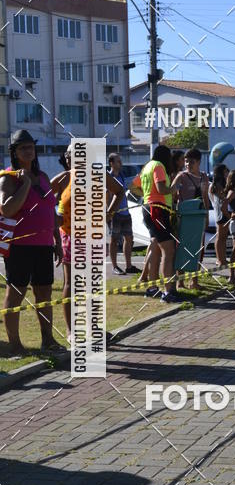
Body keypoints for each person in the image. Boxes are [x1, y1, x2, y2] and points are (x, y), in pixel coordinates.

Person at [0, 129, 64, 355]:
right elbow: (6, 209)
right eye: (23, 148)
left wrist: (57, 241)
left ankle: (48, 339)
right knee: (15, 294)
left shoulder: (44, 177)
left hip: (44, 245)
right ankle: (15, 345)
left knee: (44, 294)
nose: (29, 151)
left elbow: (50, 212)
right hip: (19, 246)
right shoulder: (9, 178)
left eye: (31, 147)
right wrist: (26, 183)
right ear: (14, 152)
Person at [55, 145, 123, 341]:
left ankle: (94, 328)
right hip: (71, 236)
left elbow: (120, 191)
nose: (72, 159)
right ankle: (71, 330)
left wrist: (109, 214)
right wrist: (54, 219)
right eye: (69, 155)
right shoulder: (64, 178)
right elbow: (43, 198)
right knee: (71, 284)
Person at [130, 145, 180, 303]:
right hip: (158, 209)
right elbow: (161, 188)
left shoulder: (147, 167)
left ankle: (152, 288)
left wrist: (146, 195)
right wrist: (173, 189)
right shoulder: (158, 166)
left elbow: (132, 187)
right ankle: (168, 291)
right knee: (168, 250)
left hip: (147, 208)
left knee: (156, 248)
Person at [171, 149, 211, 286]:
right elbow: (172, 193)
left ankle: (194, 281)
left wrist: (206, 216)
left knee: (198, 249)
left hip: (199, 217)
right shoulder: (181, 176)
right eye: (186, 161)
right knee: (182, 248)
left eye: (191, 162)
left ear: (199, 162)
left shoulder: (204, 177)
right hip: (184, 217)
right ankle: (180, 282)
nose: (188, 164)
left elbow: (205, 197)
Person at [107, 153, 139, 276]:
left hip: (126, 212)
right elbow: (107, 197)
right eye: (118, 161)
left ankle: (129, 266)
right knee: (114, 239)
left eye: (120, 161)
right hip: (115, 214)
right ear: (111, 163)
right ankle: (115, 266)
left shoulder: (121, 175)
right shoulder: (108, 178)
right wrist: (109, 213)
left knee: (129, 238)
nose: (121, 163)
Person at [209, 164, 230, 270]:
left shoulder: (220, 184)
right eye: (226, 171)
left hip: (221, 212)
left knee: (223, 237)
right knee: (220, 237)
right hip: (220, 213)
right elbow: (221, 197)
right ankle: (220, 259)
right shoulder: (217, 185)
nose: (227, 173)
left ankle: (223, 258)